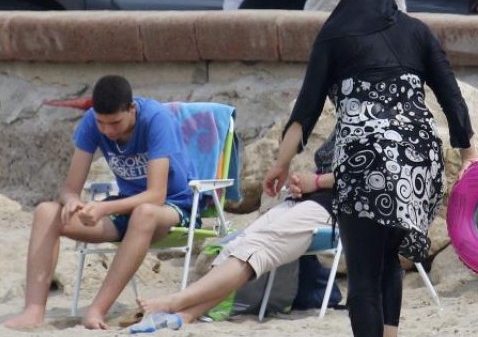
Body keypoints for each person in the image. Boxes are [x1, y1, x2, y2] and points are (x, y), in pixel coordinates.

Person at [263, 0, 477, 337]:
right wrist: (466, 149)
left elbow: (305, 111)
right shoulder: (415, 31)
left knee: (362, 266)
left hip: (364, 160)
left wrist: (282, 161)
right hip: (414, 161)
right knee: (387, 261)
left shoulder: (334, 34)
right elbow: (449, 91)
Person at [3, 76, 198, 330]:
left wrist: (104, 208)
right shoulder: (91, 122)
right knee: (45, 212)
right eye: (101, 123)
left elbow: (156, 195)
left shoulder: (155, 119)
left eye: (115, 122)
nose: (108, 130)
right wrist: (73, 201)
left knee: (145, 213)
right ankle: (33, 311)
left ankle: (96, 310)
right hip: (125, 207)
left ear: (131, 109)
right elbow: (69, 189)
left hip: (172, 207)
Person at [137, 135, 336, 325]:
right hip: (307, 199)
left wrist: (317, 181)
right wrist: (301, 182)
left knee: (253, 250)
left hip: (337, 209)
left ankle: (175, 302)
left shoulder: (364, 121)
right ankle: (187, 314)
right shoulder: (348, 120)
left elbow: (363, 174)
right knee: (236, 245)